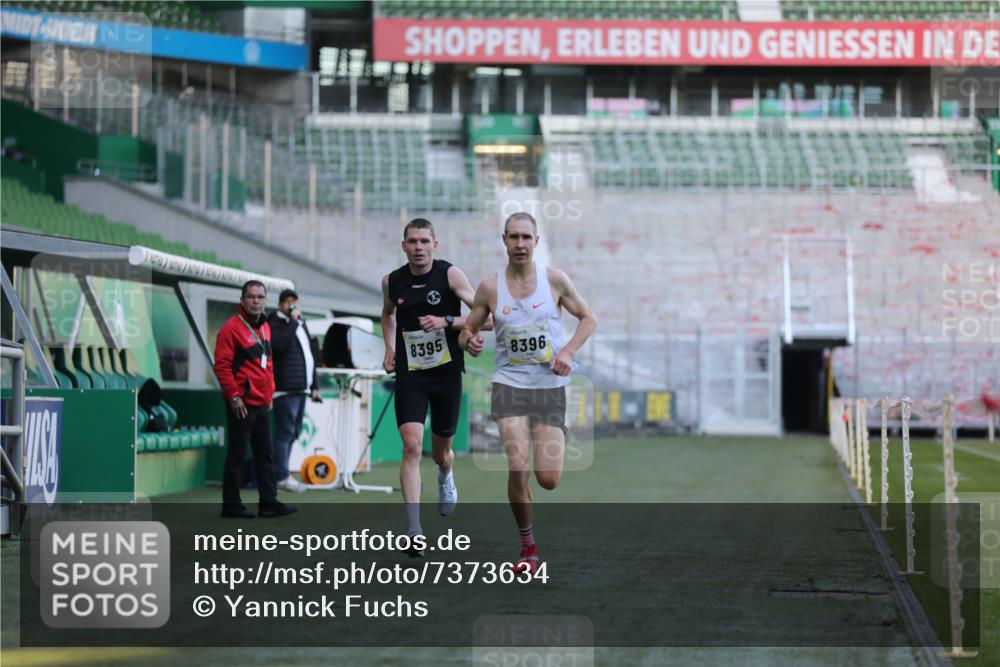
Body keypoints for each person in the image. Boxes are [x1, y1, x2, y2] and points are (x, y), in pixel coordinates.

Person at [459, 212, 596, 573]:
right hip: (509, 386)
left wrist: (567, 352)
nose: (520, 244)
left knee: (547, 480)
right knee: (518, 467)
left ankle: (531, 535)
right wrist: (469, 340)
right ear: (503, 240)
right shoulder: (490, 287)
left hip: (549, 388)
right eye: (513, 237)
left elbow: (589, 318)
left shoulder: (554, 280)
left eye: (526, 237)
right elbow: (468, 329)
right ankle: (528, 547)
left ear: (536, 241)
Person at [381, 218, 486, 555]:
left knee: (440, 452)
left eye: (424, 241)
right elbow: (387, 315)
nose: (418, 247)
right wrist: (389, 347)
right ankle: (414, 530)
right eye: (412, 241)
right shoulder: (392, 281)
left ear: (435, 245)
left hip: (446, 374)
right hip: (411, 374)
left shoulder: (449, 275)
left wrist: (447, 321)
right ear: (404, 246)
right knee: (411, 447)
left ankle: (445, 474)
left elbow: (487, 317)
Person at [213, 280, 297, 519]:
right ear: (242, 300)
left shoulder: (265, 326)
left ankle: (268, 503)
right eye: (251, 297)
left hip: (262, 402)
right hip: (241, 403)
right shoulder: (231, 328)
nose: (256, 301)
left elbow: (267, 365)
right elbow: (222, 366)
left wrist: (269, 394)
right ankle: (231, 505)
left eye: (260, 297)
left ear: (266, 301)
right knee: (237, 455)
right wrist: (234, 396)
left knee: (265, 455)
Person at [267, 289, 322, 493]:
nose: (293, 306)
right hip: (285, 389)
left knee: (293, 433)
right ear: (281, 304)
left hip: (302, 387)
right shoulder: (275, 322)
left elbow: (310, 355)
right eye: (289, 302)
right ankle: (281, 476)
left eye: (295, 302)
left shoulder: (300, 322)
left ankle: (282, 474)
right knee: (285, 432)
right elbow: (279, 346)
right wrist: (292, 321)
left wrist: (314, 385)